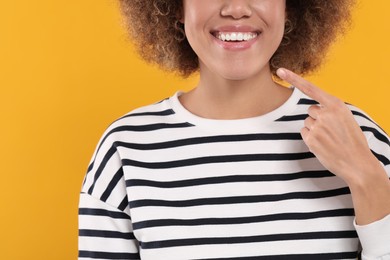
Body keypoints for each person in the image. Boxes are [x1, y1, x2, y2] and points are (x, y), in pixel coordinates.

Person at [78, 0, 390, 259]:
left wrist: (367, 178)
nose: (237, 8)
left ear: (290, 6)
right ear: (176, 6)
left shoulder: (355, 136)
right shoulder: (125, 149)